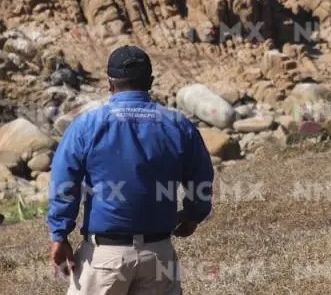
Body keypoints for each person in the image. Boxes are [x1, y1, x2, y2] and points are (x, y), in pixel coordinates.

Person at [48, 45, 214, 295]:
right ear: (150, 81)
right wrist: (193, 216)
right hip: (159, 255)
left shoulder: (86, 126)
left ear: (109, 83)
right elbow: (201, 178)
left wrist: (59, 234)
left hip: (103, 259)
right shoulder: (178, 125)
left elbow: (64, 183)